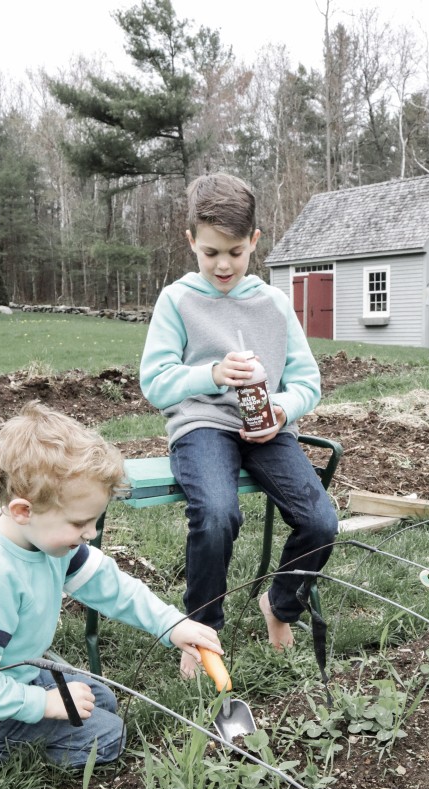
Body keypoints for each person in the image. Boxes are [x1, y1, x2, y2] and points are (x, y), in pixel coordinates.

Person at [0, 401, 221, 779]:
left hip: (7, 677)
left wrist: (172, 625)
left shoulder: (43, 539)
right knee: (107, 736)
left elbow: (110, 585)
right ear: (23, 510)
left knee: (100, 700)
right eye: (80, 523)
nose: (90, 534)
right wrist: (43, 702)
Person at [140, 172, 339, 680]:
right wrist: (208, 373)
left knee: (320, 521)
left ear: (254, 241)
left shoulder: (272, 303)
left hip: (265, 429)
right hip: (202, 425)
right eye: (210, 253)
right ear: (191, 242)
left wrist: (280, 411)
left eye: (234, 251)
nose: (223, 264)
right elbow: (155, 383)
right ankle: (200, 631)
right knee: (217, 513)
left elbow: (306, 380)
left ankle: (280, 604)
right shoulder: (177, 301)